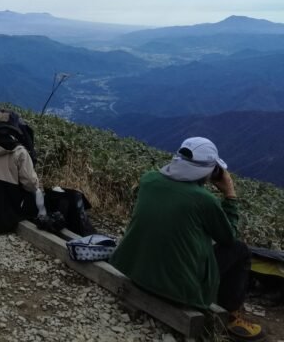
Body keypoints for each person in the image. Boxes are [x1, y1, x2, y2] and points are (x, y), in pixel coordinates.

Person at [110, 137, 264, 341]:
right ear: (208, 170)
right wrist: (230, 195)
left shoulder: (149, 179)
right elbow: (228, 237)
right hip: (180, 291)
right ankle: (231, 315)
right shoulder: (205, 201)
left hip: (134, 271)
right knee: (239, 250)